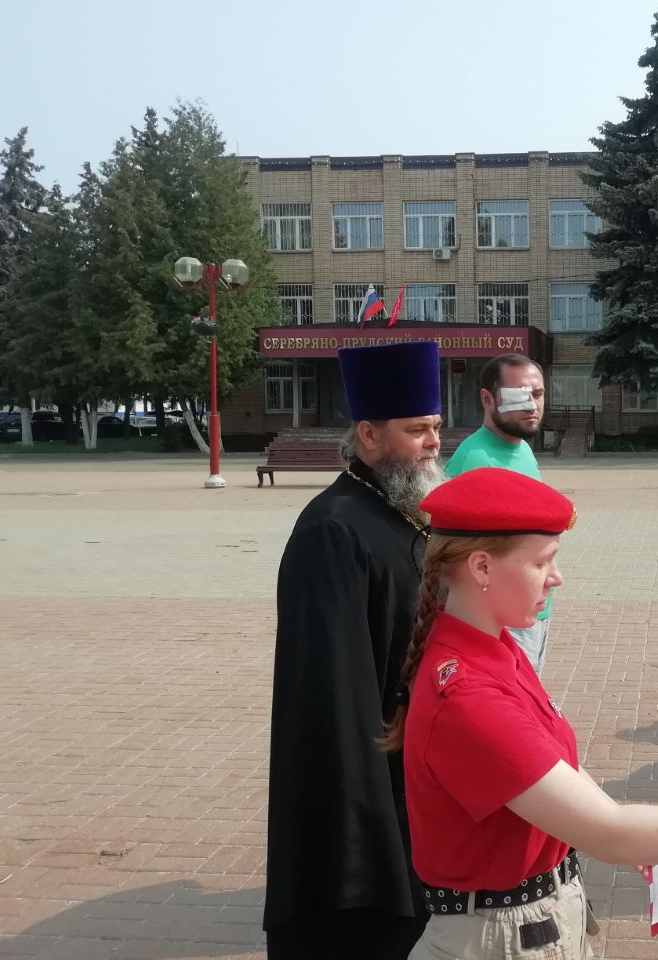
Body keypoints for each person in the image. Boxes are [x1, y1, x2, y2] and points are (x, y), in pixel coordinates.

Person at [386, 468, 658, 960]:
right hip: (500, 939)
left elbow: (555, 772)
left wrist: (649, 839)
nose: (556, 577)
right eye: (542, 562)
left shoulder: (490, 646)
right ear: (481, 568)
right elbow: (609, 833)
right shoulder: (468, 693)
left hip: (527, 921)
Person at [265, 341, 445, 959]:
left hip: (414, 765)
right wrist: (367, 833)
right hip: (367, 780)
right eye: (416, 429)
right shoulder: (332, 528)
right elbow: (334, 695)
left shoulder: (405, 512)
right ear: (368, 435)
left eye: (436, 427)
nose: (433, 442)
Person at [445, 354, 554, 674]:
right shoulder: (476, 461)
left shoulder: (521, 447)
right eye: (519, 395)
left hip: (531, 611)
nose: (532, 405)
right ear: (487, 399)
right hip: (502, 623)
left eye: (538, 394)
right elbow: (456, 558)